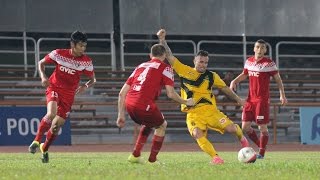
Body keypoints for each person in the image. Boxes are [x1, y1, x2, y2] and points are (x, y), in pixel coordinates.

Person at [157, 29, 249, 165]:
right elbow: (169, 57)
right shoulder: (184, 70)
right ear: (195, 60)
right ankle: (216, 158)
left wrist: (238, 99)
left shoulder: (212, 76)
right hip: (193, 113)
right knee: (197, 134)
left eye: (205, 62)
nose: (203, 65)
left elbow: (225, 89)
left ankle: (243, 140)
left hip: (211, 111)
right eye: (201, 62)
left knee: (231, 129)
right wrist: (162, 40)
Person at [116, 44, 194, 164]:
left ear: (150, 55)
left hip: (129, 104)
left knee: (149, 124)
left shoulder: (140, 66)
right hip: (143, 104)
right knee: (162, 125)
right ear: (164, 55)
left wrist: (121, 115)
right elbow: (171, 94)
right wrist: (186, 101)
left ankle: (135, 155)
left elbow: (122, 93)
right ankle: (152, 160)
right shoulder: (166, 68)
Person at [28, 31, 96, 163]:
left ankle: (45, 148)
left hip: (69, 95)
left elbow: (93, 80)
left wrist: (85, 86)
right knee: (51, 113)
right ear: (73, 44)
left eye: (84, 46)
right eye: (80, 45)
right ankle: (36, 140)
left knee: (56, 126)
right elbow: (41, 63)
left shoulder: (86, 62)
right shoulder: (59, 54)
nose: (83, 48)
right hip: (54, 88)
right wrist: (43, 77)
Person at [230, 39, 288, 159]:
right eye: (258, 47)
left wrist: (282, 94)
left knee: (262, 127)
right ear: (254, 48)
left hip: (262, 100)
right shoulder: (249, 61)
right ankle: (261, 146)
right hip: (250, 99)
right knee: (245, 127)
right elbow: (245, 74)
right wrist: (234, 80)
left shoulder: (269, 64)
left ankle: (261, 153)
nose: (260, 50)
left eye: (262, 47)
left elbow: (278, 80)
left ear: (265, 50)